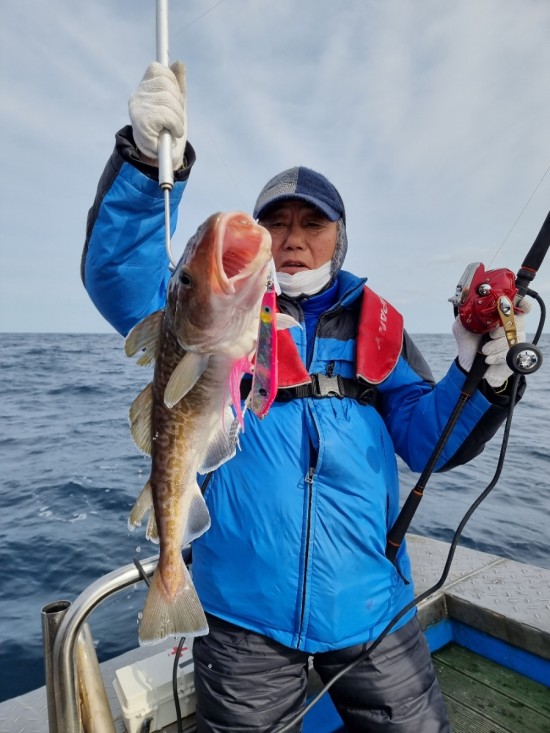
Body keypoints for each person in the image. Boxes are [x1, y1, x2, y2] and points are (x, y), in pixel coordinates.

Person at [82, 62, 528, 733]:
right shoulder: (217, 311)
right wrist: (148, 167)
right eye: (277, 222)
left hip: (373, 605)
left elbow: (427, 440)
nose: (292, 237)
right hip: (243, 615)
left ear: (339, 237)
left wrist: (479, 380)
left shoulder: (380, 324)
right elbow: (120, 275)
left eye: (312, 222)